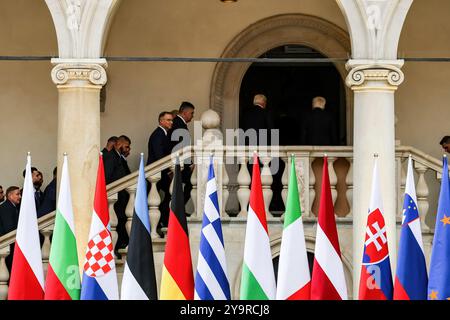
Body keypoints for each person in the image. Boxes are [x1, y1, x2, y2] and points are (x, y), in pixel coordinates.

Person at [103, 135, 132, 253]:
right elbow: (107, 177)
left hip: (121, 198)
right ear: (119, 144)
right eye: (126, 147)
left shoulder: (118, 158)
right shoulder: (111, 157)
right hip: (115, 197)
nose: (128, 149)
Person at [147, 111, 173, 236]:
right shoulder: (158, 134)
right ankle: (163, 220)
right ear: (161, 121)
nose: (171, 122)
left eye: (171, 120)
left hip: (160, 172)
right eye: (168, 120)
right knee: (169, 193)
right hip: (157, 172)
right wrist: (168, 170)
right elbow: (159, 156)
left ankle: (163, 219)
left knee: (169, 194)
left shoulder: (164, 134)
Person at [168, 101, 195, 205]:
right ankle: (179, 210)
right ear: (184, 112)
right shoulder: (179, 124)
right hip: (179, 163)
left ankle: (178, 211)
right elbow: (181, 147)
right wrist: (190, 164)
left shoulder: (178, 123)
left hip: (180, 163)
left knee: (172, 191)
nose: (192, 116)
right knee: (192, 182)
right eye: (191, 113)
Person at [0, 186, 21, 275]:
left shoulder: (12, 207)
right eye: (17, 194)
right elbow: (9, 229)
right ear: (10, 196)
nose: (20, 196)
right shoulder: (6, 208)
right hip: (8, 246)